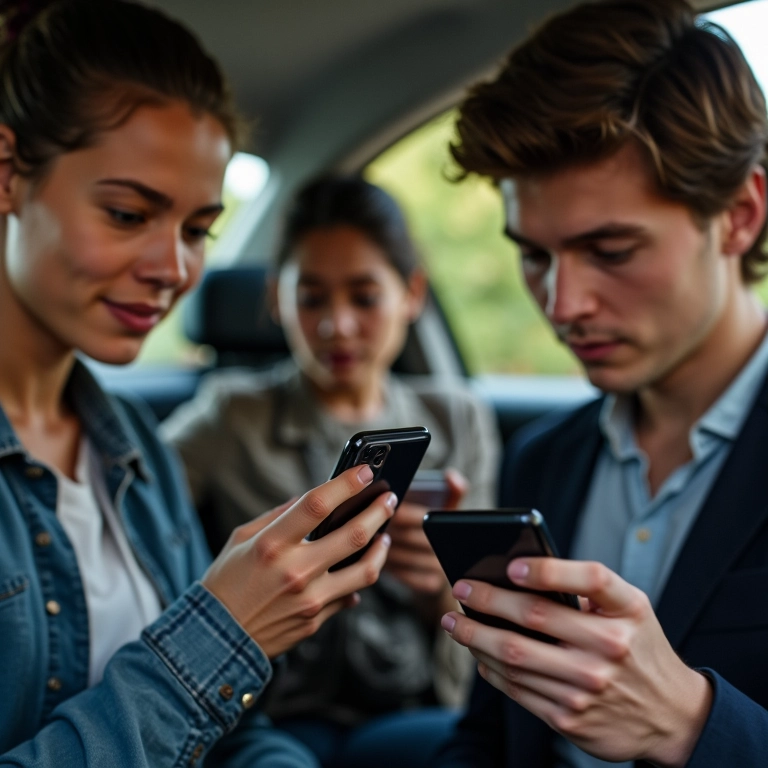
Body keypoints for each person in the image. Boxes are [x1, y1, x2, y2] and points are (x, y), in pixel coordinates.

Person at [0, 2, 398, 765]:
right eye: (127, 214)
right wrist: (223, 635)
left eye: (195, 230)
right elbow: (198, 688)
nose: (174, 269)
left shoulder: (134, 445)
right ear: (9, 174)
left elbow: (229, 735)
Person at [435, 0, 768, 766]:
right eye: (534, 256)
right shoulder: (541, 459)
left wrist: (691, 723)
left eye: (611, 251)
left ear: (739, 215)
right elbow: (490, 737)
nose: (562, 305)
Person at [162, 175, 501, 767]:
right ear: (277, 299)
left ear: (412, 294)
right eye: (312, 298)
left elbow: (486, 626)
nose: (336, 325)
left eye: (364, 298)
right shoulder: (231, 415)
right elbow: (132, 499)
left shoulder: (458, 421)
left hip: (413, 707)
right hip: (274, 712)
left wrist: (441, 583)